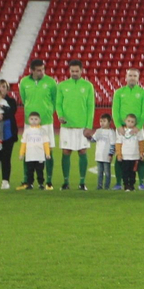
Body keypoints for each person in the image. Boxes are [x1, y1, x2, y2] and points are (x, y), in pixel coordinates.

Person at [16, 59, 58, 188]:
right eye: (39, 70)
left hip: (46, 121)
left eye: (43, 69)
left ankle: (48, 181)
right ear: (32, 70)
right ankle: (27, 181)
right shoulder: (24, 82)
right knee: (29, 150)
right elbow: (24, 99)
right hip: (30, 123)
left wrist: (49, 111)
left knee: (48, 150)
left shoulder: (51, 82)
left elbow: (55, 100)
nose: (42, 72)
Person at [56, 60, 96, 192]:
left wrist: (89, 126)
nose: (74, 73)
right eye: (72, 71)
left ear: (81, 70)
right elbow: (58, 104)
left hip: (82, 126)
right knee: (66, 152)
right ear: (69, 71)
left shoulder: (88, 86)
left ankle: (82, 183)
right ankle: (66, 182)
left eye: (76, 71)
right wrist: (60, 115)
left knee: (82, 152)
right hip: (67, 126)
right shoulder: (62, 86)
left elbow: (91, 107)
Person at [110, 68, 144, 190]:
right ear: (126, 77)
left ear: (138, 78)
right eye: (130, 75)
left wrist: (139, 126)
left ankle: (141, 182)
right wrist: (118, 126)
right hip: (122, 129)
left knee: (140, 155)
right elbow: (115, 110)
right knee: (120, 155)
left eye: (135, 75)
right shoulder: (118, 92)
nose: (132, 77)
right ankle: (118, 182)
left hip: (138, 129)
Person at [19, 111, 53, 189]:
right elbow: (23, 143)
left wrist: (47, 153)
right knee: (29, 171)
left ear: (39, 120)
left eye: (36, 119)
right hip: (30, 155)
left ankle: (41, 184)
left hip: (39, 155)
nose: (34, 121)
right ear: (28, 120)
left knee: (40, 171)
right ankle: (30, 184)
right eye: (32, 119)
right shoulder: (27, 131)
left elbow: (46, 143)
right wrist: (21, 154)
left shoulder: (42, 131)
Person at [116, 113, 144, 191]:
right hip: (125, 156)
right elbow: (118, 143)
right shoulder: (122, 131)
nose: (130, 123)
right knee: (125, 171)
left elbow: (141, 142)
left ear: (135, 123)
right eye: (128, 121)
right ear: (125, 121)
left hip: (135, 156)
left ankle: (131, 185)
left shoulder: (138, 131)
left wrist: (141, 153)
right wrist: (119, 154)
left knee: (133, 172)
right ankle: (126, 185)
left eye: (132, 122)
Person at [92, 113, 117, 189]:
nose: (102, 123)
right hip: (99, 155)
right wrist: (88, 136)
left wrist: (110, 154)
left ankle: (106, 186)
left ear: (109, 122)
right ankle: (99, 186)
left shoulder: (111, 132)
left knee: (107, 173)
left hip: (106, 156)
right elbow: (93, 140)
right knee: (99, 173)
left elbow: (113, 144)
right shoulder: (98, 131)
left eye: (104, 121)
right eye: (101, 121)